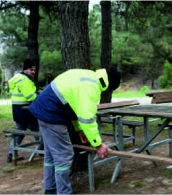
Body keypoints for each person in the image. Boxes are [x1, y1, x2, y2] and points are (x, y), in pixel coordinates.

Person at [28, 67, 121, 195]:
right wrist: (98, 145)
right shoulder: (91, 87)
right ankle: (64, 192)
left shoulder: (88, 76)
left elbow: (75, 107)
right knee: (64, 155)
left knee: (51, 154)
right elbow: (87, 119)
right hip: (51, 114)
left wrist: (79, 130)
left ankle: (50, 189)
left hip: (43, 109)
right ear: (110, 87)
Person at [7, 59, 42, 163]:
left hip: (17, 111)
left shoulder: (17, 78)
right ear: (25, 70)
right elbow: (31, 97)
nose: (33, 72)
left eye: (34, 70)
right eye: (31, 70)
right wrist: (41, 96)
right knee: (38, 130)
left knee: (19, 132)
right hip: (27, 112)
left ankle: (11, 154)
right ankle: (41, 150)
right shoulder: (25, 81)